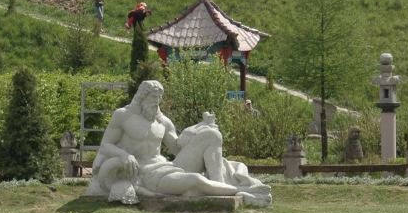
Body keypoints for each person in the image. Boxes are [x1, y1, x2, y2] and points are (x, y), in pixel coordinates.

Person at [86, 80, 271, 206]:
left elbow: (176, 146)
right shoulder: (124, 116)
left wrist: (199, 129)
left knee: (212, 135)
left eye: (159, 99)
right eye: (152, 98)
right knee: (196, 179)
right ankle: (240, 193)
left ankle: (221, 186)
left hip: (167, 167)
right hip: (145, 174)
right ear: (142, 97)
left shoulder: (162, 121)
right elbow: (105, 146)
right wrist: (124, 155)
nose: (156, 103)